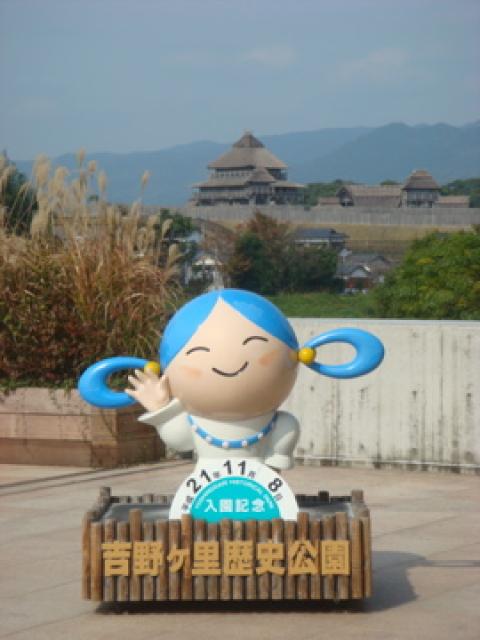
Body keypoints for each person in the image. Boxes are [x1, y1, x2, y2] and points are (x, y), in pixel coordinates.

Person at [79, 289, 384, 471]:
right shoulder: (196, 421)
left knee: (286, 425)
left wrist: (279, 453)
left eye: (254, 345)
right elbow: (180, 440)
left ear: (294, 355)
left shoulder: (278, 423)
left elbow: (180, 440)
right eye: (199, 352)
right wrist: (160, 407)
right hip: (206, 481)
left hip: (264, 481)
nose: (228, 362)